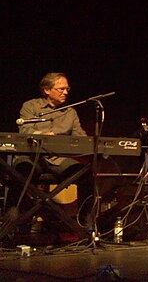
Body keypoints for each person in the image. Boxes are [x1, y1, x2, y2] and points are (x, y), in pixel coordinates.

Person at [11, 72, 93, 230]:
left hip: (58, 159)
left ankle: (85, 223)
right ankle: (13, 223)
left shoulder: (70, 112)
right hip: (31, 157)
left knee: (85, 174)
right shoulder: (31, 106)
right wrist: (41, 135)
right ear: (46, 90)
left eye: (67, 89)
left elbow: (81, 138)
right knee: (21, 172)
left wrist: (90, 143)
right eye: (61, 89)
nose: (66, 92)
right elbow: (25, 128)